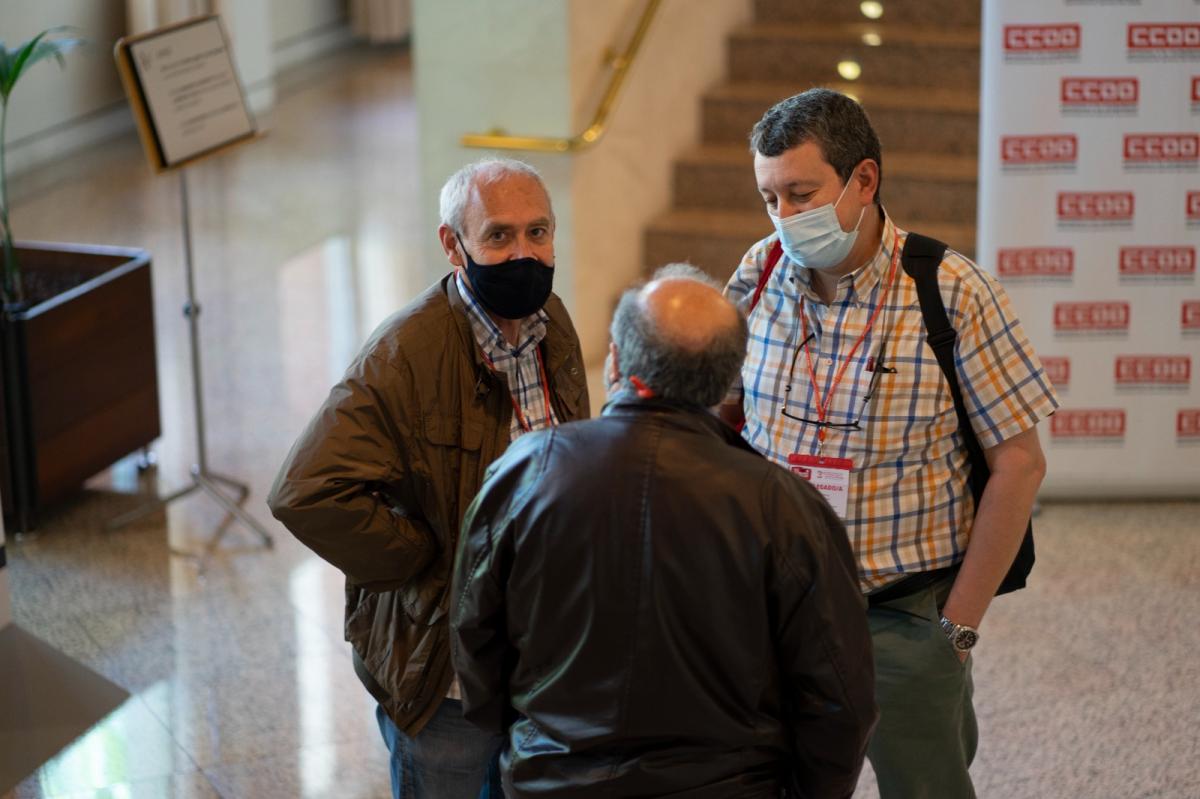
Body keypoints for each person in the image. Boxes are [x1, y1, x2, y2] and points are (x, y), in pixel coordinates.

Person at [720, 88, 1060, 798]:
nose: (784, 218)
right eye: (769, 198)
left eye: (801, 193)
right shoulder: (759, 273)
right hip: (772, 609)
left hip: (905, 615)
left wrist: (956, 628)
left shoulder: (952, 291)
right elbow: (717, 417)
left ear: (864, 180)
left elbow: (1020, 464)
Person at [450, 265, 877, 799]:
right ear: (727, 380)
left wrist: (522, 734)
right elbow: (841, 696)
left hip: (552, 780)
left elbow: (474, 633)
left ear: (614, 359)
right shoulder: (786, 507)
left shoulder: (526, 471)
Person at [267, 158, 590, 799]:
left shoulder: (552, 322)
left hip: (538, 653)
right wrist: (426, 558)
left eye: (538, 232)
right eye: (498, 236)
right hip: (447, 673)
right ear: (453, 245)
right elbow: (305, 492)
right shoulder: (405, 353)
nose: (524, 253)